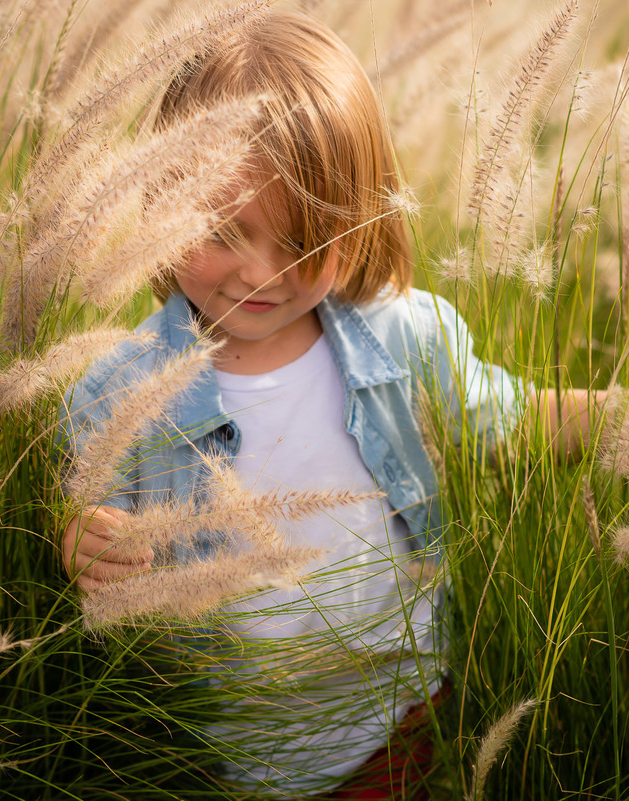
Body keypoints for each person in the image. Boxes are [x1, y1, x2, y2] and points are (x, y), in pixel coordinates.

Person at [59, 10, 594, 799]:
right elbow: (91, 513)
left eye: (304, 240)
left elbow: (504, 420)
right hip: (211, 749)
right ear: (163, 202)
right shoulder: (119, 390)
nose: (263, 273)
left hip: (394, 724)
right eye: (224, 232)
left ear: (360, 217)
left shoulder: (403, 337)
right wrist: (84, 541)